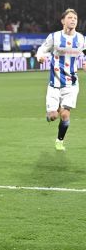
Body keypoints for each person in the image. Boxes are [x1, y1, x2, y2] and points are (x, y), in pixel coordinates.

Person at [35, 8, 86, 151]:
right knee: (53, 116)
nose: (73, 20)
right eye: (70, 18)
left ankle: (59, 141)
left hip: (71, 84)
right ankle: (53, 111)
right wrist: (40, 57)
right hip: (55, 83)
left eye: (75, 18)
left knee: (64, 115)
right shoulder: (55, 37)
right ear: (63, 21)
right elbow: (42, 49)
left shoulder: (81, 39)